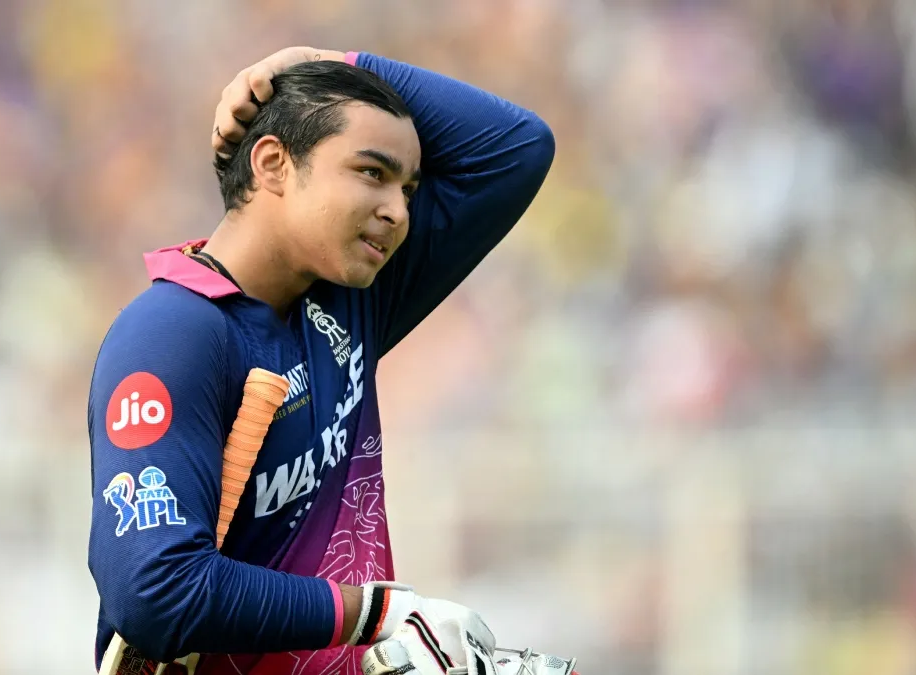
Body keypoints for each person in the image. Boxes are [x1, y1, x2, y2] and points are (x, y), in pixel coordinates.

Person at [87, 46, 570, 674]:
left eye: (409, 189)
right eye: (372, 172)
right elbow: (155, 592)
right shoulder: (171, 333)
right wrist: (380, 613)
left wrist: (326, 61)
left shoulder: (349, 300)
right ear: (273, 163)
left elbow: (517, 147)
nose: (399, 211)